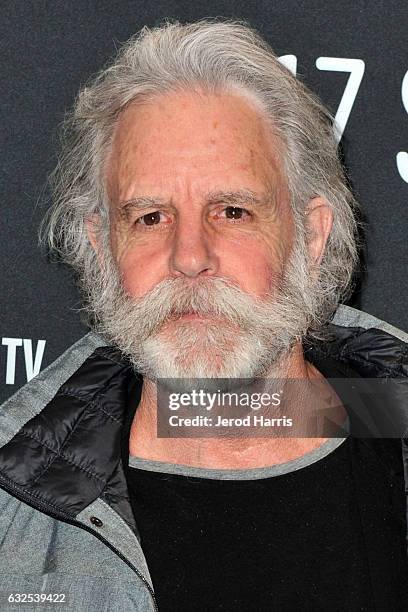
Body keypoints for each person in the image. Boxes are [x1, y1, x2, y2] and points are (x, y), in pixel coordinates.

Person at [0, 19, 407, 611]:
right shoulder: (17, 497)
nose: (189, 257)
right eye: (150, 218)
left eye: (233, 211)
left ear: (311, 237)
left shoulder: (390, 421)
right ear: (100, 247)